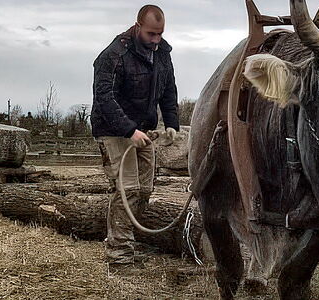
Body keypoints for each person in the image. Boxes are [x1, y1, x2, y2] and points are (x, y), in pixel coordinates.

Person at [90, 4, 179, 266]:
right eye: (152, 34)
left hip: (145, 130)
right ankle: (120, 254)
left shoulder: (162, 52)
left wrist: (172, 121)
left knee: (144, 189)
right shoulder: (113, 55)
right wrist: (129, 130)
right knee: (127, 189)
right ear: (138, 26)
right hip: (113, 130)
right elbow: (104, 98)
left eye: (160, 34)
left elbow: (169, 89)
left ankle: (126, 236)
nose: (156, 40)